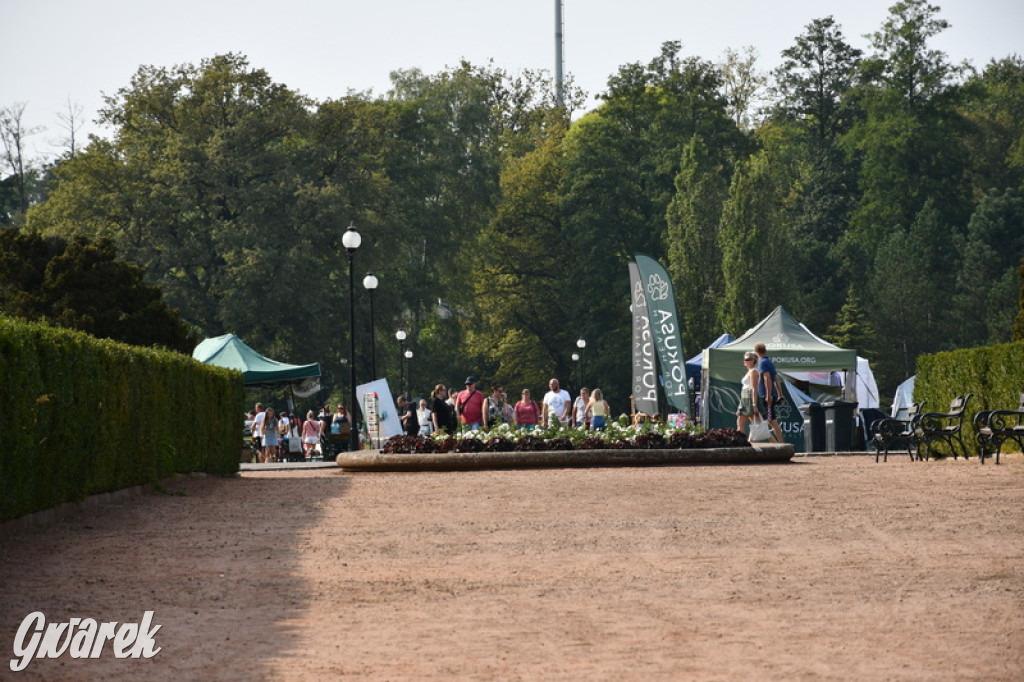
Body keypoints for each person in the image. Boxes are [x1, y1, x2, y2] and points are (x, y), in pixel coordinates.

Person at [755, 342, 785, 443]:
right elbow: (776, 380)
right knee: (763, 419)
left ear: (756, 352)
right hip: (766, 395)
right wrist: (780, 394)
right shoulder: (769, 362)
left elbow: (767, 378)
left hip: (764, 396)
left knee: (772, 421)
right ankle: (777, 443)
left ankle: (780, 444)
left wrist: (768, 395)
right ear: (766, 350)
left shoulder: (762, 363)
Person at [736, 351, 763, 437]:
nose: (745, 361)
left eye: (747, 359)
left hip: (749, 399)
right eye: (745, 359)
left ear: (753, 361)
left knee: (740, 423)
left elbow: (754, 389)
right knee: (758, 425)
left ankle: (741, 444)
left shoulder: (753, 372)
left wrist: (754, 404)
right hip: (745, 397)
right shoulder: (750, 371)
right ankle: (774, 443)